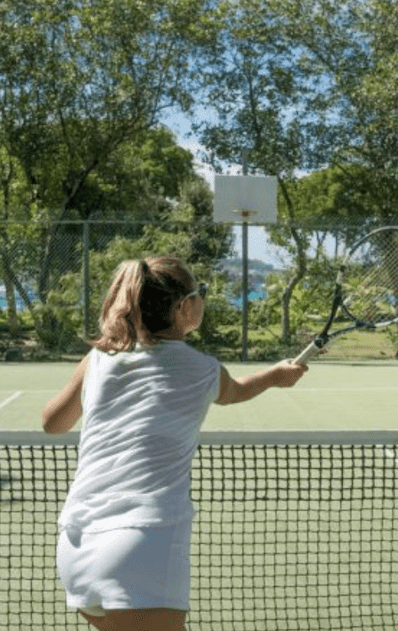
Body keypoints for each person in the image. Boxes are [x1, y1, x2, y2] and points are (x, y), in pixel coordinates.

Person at [41, 256, 307, 631]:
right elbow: (236, 392)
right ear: (183, 308)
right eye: (201, 293)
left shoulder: (99, 357)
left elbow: (53, 423)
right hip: (142, 543)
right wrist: (277, 376)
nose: (203, 298)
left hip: (76, 548)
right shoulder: (201, 369)